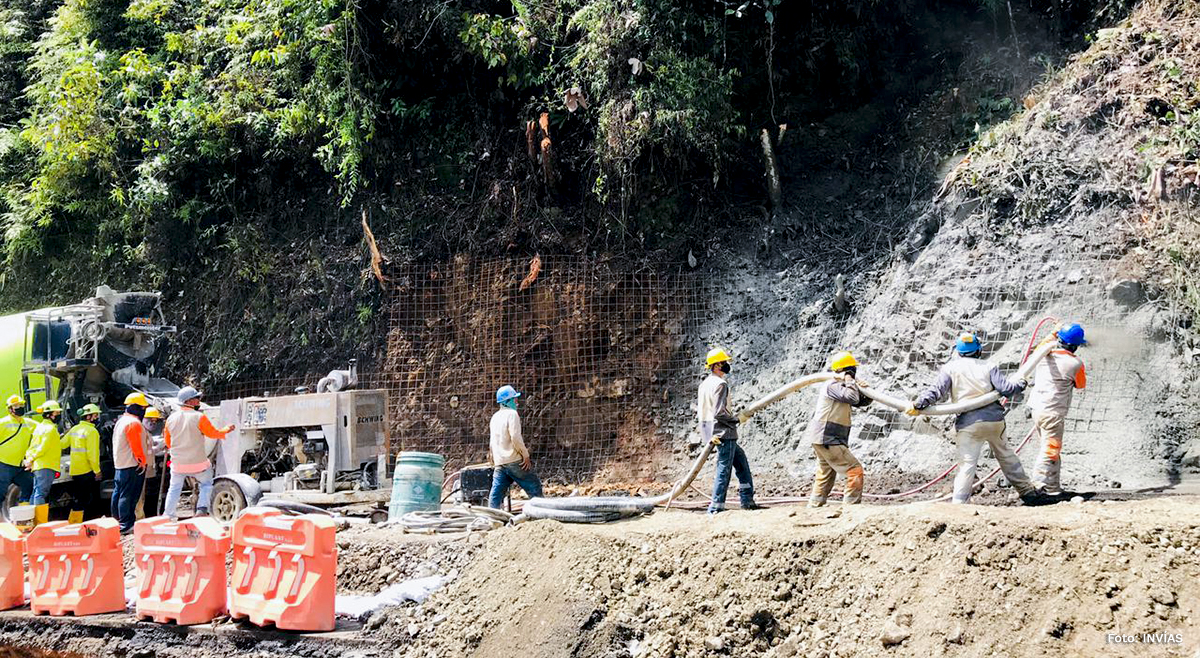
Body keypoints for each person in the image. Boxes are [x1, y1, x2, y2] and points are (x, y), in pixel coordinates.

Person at [907, 333, 1046, 505]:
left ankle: (959, 503)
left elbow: (936, 392)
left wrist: (918, 404)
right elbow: (1006, 389)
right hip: (994, 421)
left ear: (958, 351)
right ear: (979, 349)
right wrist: (1021, 383)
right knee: (1007, 456)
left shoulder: (950, 368)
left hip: (969, 424)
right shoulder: (988, 365)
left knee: (967, 464)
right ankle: (1028, 493)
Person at [805, 351, 871, 507]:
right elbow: (852, 397)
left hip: (823, 437)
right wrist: (850, 381)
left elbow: (859, 402)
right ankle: (851, 507)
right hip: (828, 437)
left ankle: (815, 506)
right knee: (854, 469)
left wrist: (867, 392)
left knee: (825, 472)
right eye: (852, 370)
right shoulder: (833, 385)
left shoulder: (841, 386)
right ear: (847, 370)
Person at [699, 347, 760, 514]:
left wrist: (708, 434)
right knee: (724, 468)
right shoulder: (720, 384)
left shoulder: (705, 384)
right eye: (724, 362)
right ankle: (716, 507)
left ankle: (747, 499)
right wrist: (737, 419)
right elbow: (719, 412)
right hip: (723, 432)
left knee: (741, 464)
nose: (727, 365)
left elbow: (706, 411)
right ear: (717, 365)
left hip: (710, 430)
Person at [1028, 323, 1087, 495]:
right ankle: (1037, 487)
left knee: (1052, 448)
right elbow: (1080, 385)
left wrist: (1054, 330)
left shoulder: (1042, 354)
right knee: (1050, 450)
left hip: (1037, 409)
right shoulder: (1075, 363)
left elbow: (1043, 343)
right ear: (1075, 346)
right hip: (1052, 412)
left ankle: (1053, 488)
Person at [163, 387, 234, 520]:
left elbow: (168, 442)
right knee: (206, 484)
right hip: (198, 463)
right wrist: (226, 429)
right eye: (197, 398)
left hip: (178, 464)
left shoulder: (170, 419)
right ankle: (201, 509)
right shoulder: (199, 417)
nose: (199, 400)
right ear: (189, 401)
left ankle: (168, 515)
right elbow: (213, 434)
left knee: (174, 488)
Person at [487, 385, 543, 509]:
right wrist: (525, 455)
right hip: (514, 460)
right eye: (514, 399)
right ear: (507, 401)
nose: (517, 402)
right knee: (534, 486)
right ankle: (541, 513)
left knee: (496, 493)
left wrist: (493, 459)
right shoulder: (512, 414)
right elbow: (516, 438)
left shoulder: (494, 417)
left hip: (500, 462)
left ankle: (491, 517)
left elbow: (492, 442)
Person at [112, 392, 149, 533]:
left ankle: (116, 522)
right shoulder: (133, 423)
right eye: (142, 408)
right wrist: (141, 461)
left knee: (119, 494)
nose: (143, 411)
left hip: (120, 464)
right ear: (135, 407)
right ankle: (126, 525)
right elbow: (136, 445)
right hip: (132, 465)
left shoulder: (121, 421)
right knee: (128, 495)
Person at [24, 400, 62, 527]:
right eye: (57, 413)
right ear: (50, 414)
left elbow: (33, 445)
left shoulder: (39, 427)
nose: (58, 415)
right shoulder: (51, 429)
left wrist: (29, 458)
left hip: (38, 465)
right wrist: (31, 459)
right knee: (41, 493)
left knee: (36, 492)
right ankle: (39, 524)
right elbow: (43, 448)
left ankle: (29, 520)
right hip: (46, 465)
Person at [64, 403, 102, 523]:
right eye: (95, 415)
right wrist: (97, 471)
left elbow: (62, 444)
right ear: (89, 417)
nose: (97, 418)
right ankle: (83, 524)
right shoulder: (92, 431)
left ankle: (74, 522)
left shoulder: (74, 429)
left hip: (75, 470)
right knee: (87, 499)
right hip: (87, 470)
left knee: (78, 498)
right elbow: (92, 455)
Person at [0, 396, 36, 505]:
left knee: (29, 484)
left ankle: (23, 510)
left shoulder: (29, 423)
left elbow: (43, 429)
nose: (20, 407)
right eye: (16, 406)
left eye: (21, 405)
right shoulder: (3, 423)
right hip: (4, 465)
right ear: (10, 409)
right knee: (0, 493)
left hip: (20, 466)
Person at [139, 407, 165, 518]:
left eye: (155, 421)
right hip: (142, 468)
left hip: (148, 468)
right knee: (140, 496)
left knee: (144, 495)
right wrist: (160, 447)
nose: (153, 423)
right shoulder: (141, 432)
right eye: (151, 420)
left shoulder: (147, 433)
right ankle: (139, 518)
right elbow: (147, 451)